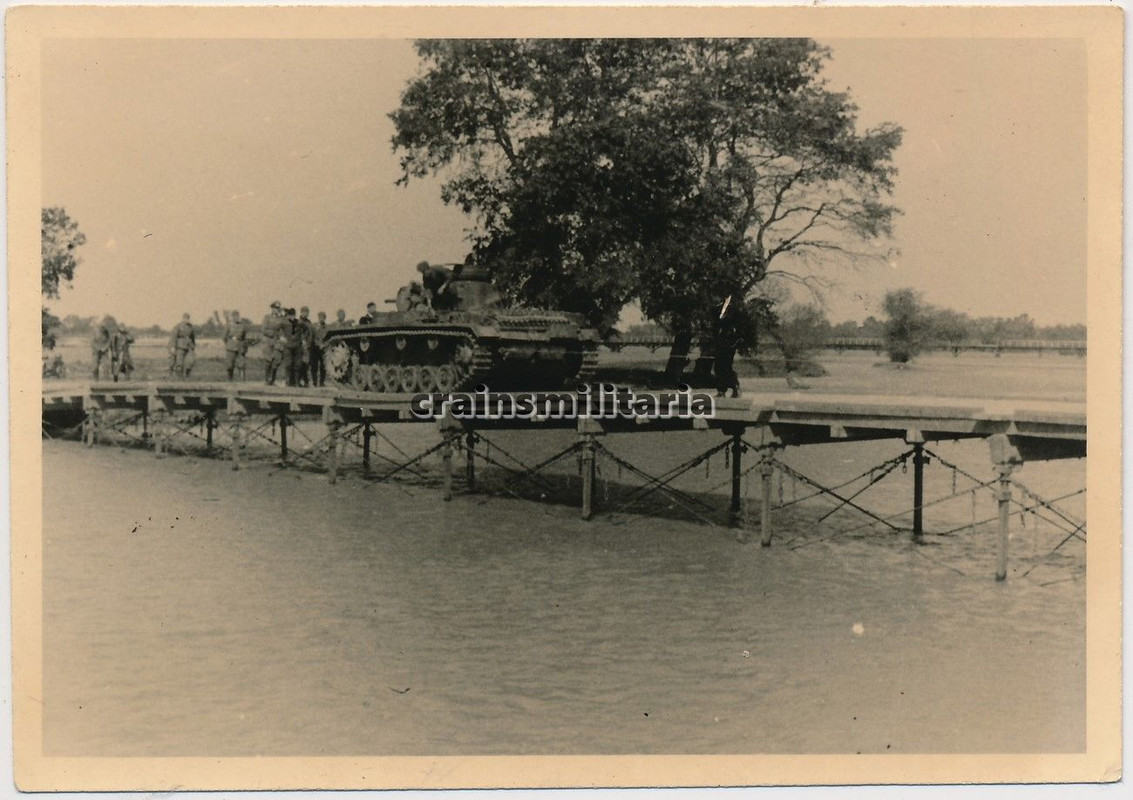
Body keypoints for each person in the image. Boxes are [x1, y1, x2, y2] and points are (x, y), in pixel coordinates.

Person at [714, 297, 743, 398]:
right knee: (719, 366)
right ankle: (722, 389)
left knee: (725, 365)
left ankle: (734, 386)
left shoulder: (732, 310)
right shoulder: (718, 309)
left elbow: (734, 323)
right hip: (721, 341)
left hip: (729, 341)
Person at [223, 309, 253, 381]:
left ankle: (242, 381)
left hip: (240, 347)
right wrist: (229, 344)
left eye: (237, 316)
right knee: (230, 365)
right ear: (232, 317)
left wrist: (244, 345)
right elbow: (224, 337)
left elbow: (244, 336)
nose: (236, 317)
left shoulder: (242, 325)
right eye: (234, 316)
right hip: (231, 347)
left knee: (241, 364)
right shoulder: (229, 325)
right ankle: (229, 380)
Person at [261, 301, 284, 385]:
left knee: (276, 361)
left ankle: (272, 380)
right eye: (275, 308)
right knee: (268, 362)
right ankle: (267, 380)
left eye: (278, 308)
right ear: (272, 309)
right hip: (268, 342)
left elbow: (283, 330)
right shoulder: (267, 318)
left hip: (277, 343)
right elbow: (263, 330)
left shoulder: (281, 318)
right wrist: (273, 333)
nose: (276, 310)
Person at [169, 313, 196, 379]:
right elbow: (173, 336)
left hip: (189, 346)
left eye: (188, 318)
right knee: (179, 362)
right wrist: (173, 346)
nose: (187, 319)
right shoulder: (178, 326)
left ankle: (187, 376)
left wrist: (193, 346)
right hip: (180, 346)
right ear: (183, 318)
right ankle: (179, 378)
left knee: (190, 361)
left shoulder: (191, 327)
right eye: (185, 318)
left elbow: (193, 337)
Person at [295, 307, 314, 386]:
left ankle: (305, 381)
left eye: (307, 312)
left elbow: (311, 333)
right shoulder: (298, 322)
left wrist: (309, 343)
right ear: (301, 312)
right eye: (304, 312)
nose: (306, 314)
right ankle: (298, 381)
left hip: (307, 345)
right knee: (299, 364)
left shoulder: (309, 322)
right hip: (300, 345)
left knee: (306, 364)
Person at [310, 311, 329, 387]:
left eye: (323, 317)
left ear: (325, 318)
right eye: (320, 317)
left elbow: (329, 338)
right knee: (314, 365)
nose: (321, 319)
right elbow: (312, 337)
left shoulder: (327, 328)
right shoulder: (314, 326)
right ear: (318, 318)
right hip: (315, 348)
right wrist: (318, 344)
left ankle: (322, 382)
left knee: (323, 366)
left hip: (323, 349)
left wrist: (324, 345)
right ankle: (314, 382)